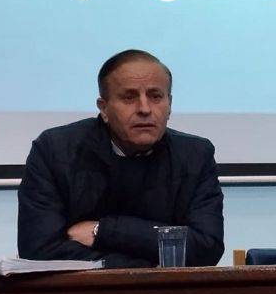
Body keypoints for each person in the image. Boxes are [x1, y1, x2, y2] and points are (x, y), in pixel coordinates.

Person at [17, 50, 224, 268]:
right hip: (87, 290)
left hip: (165, 290)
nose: (145, 109)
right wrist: (148, 264)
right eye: (129, 97)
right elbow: (39, 251)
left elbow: (206, 247)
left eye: (155, 96)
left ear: (169, 104)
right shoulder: (56, 150)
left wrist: (104, 230)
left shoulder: (195, 155)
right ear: (104, 108)